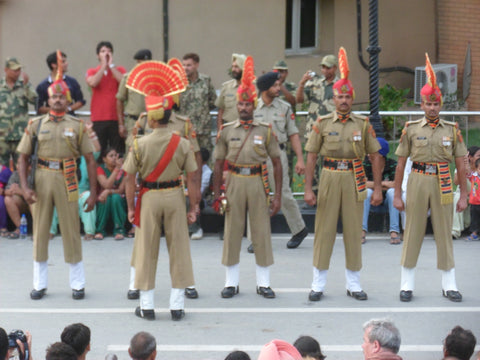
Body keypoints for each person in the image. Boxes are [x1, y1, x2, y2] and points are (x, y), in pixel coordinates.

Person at [304, 47, 382, 302]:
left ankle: (354, 284)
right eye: (340, 97)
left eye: (348, 97)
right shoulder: (323, 123)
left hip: (354, 178)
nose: (344, 101)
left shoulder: (363, 124)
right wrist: (307, 188)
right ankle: (318, 284)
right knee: (324, 230)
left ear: (352, 98)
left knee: (353, 230)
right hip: (328, 177)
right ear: (334, 99)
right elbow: (312, 156)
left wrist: (378, 188)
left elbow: (375, 156)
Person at [17, 56, 97, 300]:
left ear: (68, 99)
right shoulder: (36, 124)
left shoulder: (77, 125)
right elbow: (22, 158)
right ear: (48, 100)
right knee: (40, 230)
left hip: (69, 176)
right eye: (54, 97)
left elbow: (91, 160)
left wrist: (93, 193)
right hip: (41, 177)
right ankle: (39, 284)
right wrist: (24, 188)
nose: (58, 100)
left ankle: (78, 284)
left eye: (62, 97)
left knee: (71, 229)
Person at [124, 60, 198, 321]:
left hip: (149, 197)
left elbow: (129, 176)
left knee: (146, 250)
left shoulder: (140, 143)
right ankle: (177, 306)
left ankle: (146, 306)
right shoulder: (182, 142)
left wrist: (132, 207)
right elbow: (192, 175)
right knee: (179, 248)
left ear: (151, 118)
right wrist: (194, 206)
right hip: (175, 196)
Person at [393, 53, 467, 303]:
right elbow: (401, 164)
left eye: (436, 104)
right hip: (418, 179)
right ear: (421, 105)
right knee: (412, 230)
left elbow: (461, 163)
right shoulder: (411, 129)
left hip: (444, 181)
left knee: (444, 232)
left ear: (441, 104)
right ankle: (406, 285)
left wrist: (464, 194)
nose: (432, 108)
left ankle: (449, 285)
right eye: (428, 104)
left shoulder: (452, 129)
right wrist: (398, 194)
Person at [213, 56, 282, 299]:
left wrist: (277, 196)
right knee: (232, 231)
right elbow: (218, 162)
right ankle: (231, 282)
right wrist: (217, 192)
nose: (244, 108)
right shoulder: (227, 130)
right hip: (233, 181)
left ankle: (263, 283)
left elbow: (276, 163)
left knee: (261, 231)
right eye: (240, 105)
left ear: (254, 105)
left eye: (247, 105)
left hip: (257, 182)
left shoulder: (265, 130)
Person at [254, 71, 308, 249]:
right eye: (275, 86)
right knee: (257, 196)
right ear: (265, 88)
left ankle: (299, 229)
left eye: (279, 85)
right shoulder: (253, 107)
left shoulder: (284, 108)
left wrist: (300, 159)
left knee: (283, 192)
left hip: (278, 154)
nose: (279, 88)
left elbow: (293, 134)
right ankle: (258, 238)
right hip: (257, 156)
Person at [86, 41, 126, 153]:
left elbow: (124, 83)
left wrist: (111, 66)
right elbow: (93, 82)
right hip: (98, 118)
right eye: (103, 51)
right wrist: (103, 66)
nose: (106, 54)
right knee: (99, 151)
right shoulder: (92, 71)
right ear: (98, 55)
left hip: (116, 118)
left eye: (109, 51)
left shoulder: (120, 70)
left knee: (118, 152)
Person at [362, 137, 401, 244]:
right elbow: (361, 183)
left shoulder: (392, 164)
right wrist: (383, 184)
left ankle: (394, 231)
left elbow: (396, 184)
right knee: (366, 192)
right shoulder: (366, 164)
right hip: (371, 200)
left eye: (372, 153)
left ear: (381, 155)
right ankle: (362, 231)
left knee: (392, 193)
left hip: (388, 202)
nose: (368, 155)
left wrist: (374, 184)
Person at [0, 57, 37, 165]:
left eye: (19, 70)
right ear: (6, 70)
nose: (18, 73)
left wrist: (26, 86)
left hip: (20, 135)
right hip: (2, 136)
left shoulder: (24, 85)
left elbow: (35, 101)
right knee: (2, 169)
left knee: (22, 166)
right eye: (15, 70)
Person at [178, 52, 217, 157]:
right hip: (186, 130)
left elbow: (213, 101)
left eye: (189, 65)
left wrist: (202, 112)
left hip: (203, 129)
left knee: (205, 157)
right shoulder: (179, 83)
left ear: (196, 65)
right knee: (187, 158)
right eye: (184, 65)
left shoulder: (205, 81)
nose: (185, 68)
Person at [296, 54, 338, 139]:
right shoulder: (314, 83)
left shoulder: (340, 85)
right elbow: (299, 100)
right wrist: (302, 84)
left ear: (335, 68)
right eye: (323, 67)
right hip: (313, 130)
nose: (325, 70)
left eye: (328, 68)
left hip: (331, 131)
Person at [116, 49, 152, 142]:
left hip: (152, 121)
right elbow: (119, 100)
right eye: (141, 63)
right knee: (132, 149)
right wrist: (121, 124)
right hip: (134, 121)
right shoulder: (128, 78)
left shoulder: (156, 78)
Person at [36, 51, 85, 116]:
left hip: (68, 119)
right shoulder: (43, 85)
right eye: (63, 62)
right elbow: (39, 107)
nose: (66, 64)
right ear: (53, 65)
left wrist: (69, 108)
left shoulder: (72, 82)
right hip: (51, 119)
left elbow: (80, 101)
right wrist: (55, 109)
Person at [94, 147, 127, 240]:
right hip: (103, 198)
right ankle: (100, 230)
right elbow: (106, 185)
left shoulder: (124, 170)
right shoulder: (100, 169)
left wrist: (109, 192)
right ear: (104, 159)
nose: (114, 158)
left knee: (116, 197)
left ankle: (119, 230)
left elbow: (121, 190)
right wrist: (117, 169)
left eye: (115, 156)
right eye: (111, 156)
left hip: (118, 198)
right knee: (105, 198)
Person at [452, 146, 480, 239]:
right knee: (457, 198)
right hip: (464, 194)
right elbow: (456, 182)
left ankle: (467, 226)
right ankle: (454, 231)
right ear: (470, 157)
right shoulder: (461, 166)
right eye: (478, 155)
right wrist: (463, 169)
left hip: (476, 195)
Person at [215, 53, 246, 131]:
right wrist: (219, 131)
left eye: (236, 67)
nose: (233, 70)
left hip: (248, 129)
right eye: (232, 66)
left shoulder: (254, 88)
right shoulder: (226, 87)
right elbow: (220, 111)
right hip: (229, 129)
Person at [189, 147, 213, 240]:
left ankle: (195, 228)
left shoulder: (207, 172)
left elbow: (200, 191)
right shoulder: (191, 169)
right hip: (188, 193)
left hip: (200, 200)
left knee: (190, 200)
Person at [466, 158, 480, 241]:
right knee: (474, 219)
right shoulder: (473, 176)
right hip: (474, 202)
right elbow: (467, 171)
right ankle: (474, 234)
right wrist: (466, 160)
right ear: (477, 168)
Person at [0, 164, 12, 237]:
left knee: (1, 200)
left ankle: (3, 227)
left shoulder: (5, 171)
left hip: (2, 192)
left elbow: (10, 187)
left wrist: (4, 191)